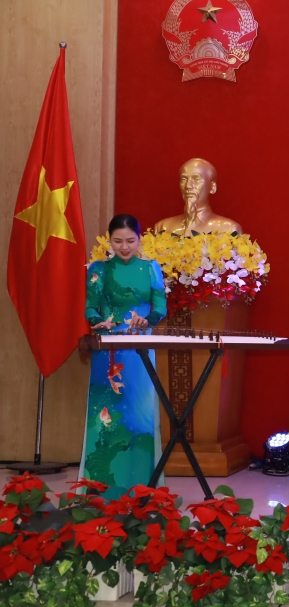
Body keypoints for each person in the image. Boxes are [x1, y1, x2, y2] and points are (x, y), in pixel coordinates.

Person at [82, 214, 167, 499]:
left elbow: (160, 307)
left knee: (140, 415)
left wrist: (148, 321)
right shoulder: (99, 270)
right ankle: (102, 489)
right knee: (106, 416)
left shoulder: (150, 269)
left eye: (130, 241)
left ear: (139, 240)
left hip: (140, 348)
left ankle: (143, 488)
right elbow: (90, 307)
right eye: (118, 241)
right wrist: (98, 321)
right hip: (109, 350)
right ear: (109, 241)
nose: (125, 247)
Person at [153, 158, 243, 236]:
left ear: (212, 187)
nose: (188, 185)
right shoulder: (162, 227)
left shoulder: (228, 229)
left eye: (196, 179)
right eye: (184, 179)